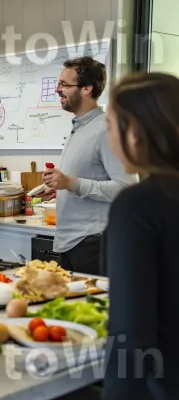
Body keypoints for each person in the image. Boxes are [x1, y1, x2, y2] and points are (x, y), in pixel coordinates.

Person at [102, 72, 179, 399]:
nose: (110, 139)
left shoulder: (138, 204)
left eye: (110, 127)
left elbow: (130, 336)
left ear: (134, 132)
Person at [36, 56, 135, 275]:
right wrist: (59, 189)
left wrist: (71, 183)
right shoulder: (80, 127)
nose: (57, 89)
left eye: (64, 84)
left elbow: (126, 188)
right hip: (70, 242)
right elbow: (87, 180)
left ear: (87, 89)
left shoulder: (107, 129)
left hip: (93, 244)